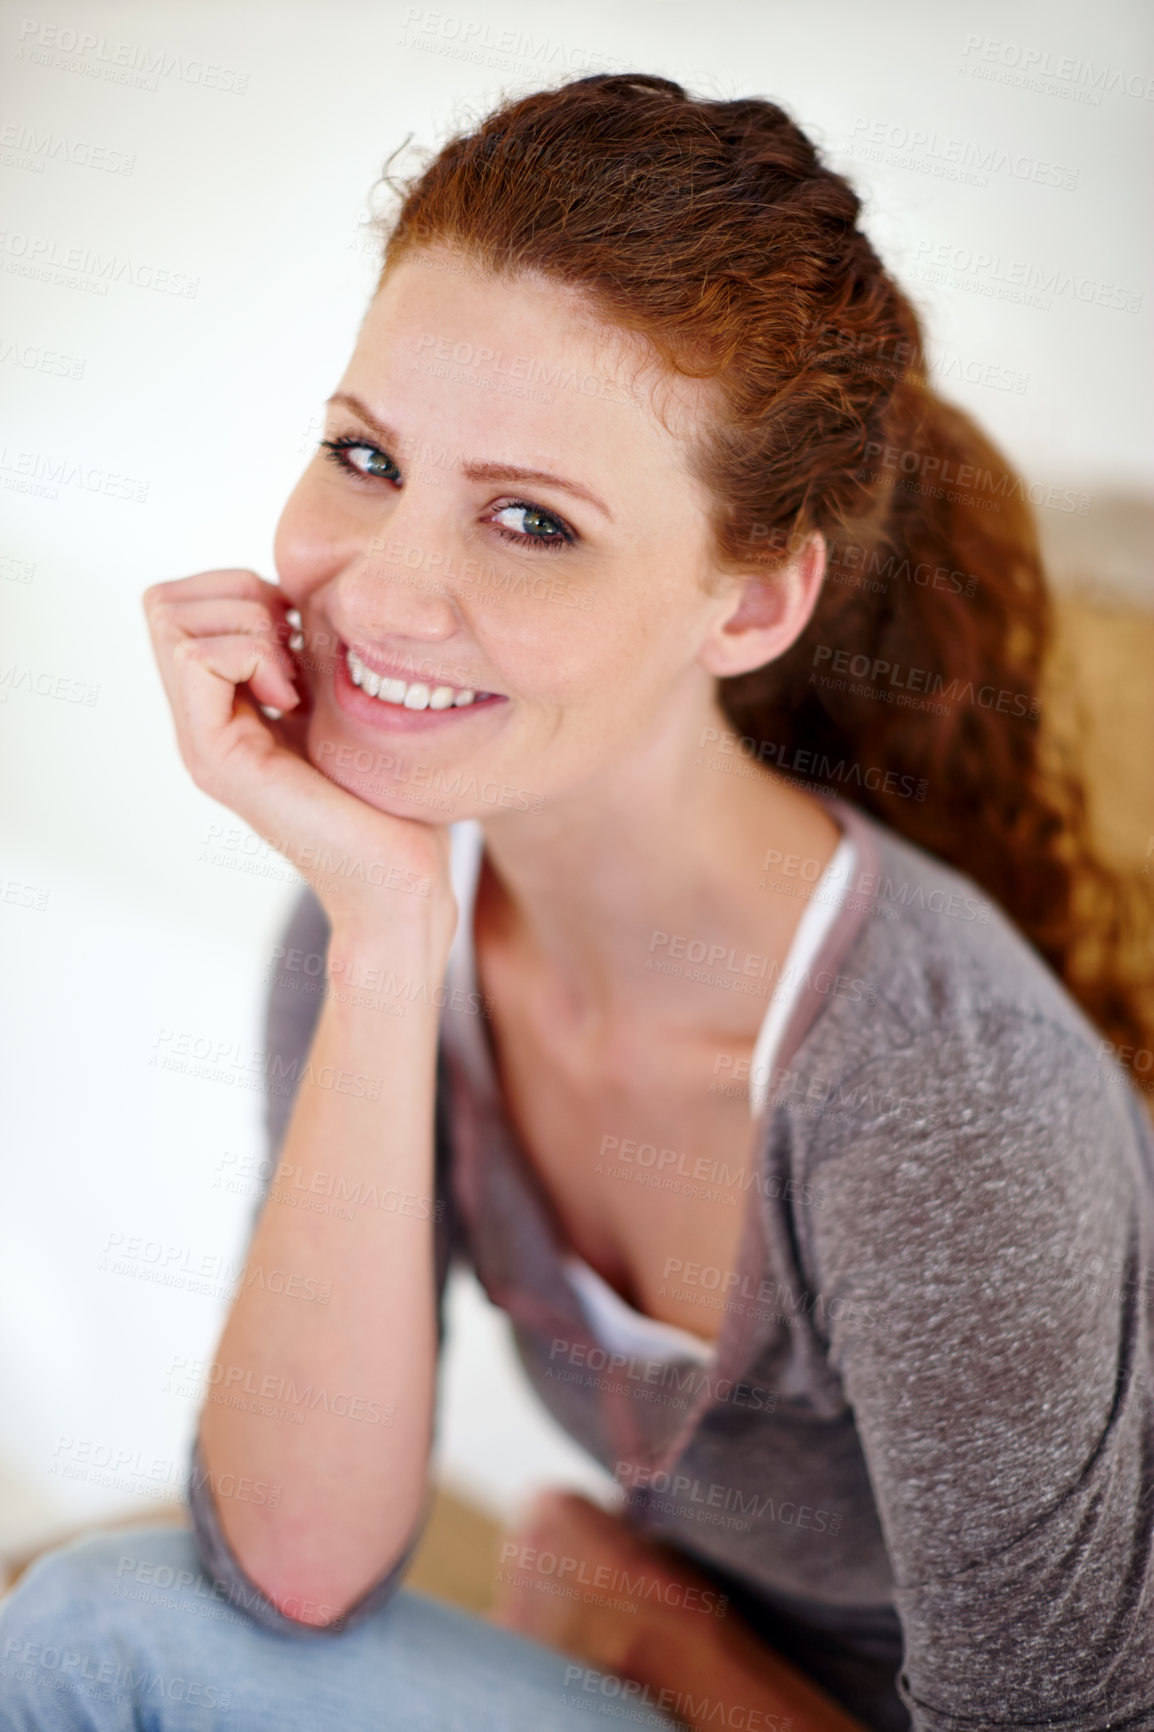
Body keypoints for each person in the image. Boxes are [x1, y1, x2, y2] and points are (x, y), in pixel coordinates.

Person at [2, 72, 1152, 1732]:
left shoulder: (943, 1104)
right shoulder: (373, 920)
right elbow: (290, 1570)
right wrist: (387, 938)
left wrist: (682, 1653)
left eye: (532, 522)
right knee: (82, 1632)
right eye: (364, 456)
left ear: (752, 603)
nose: (386, 592)